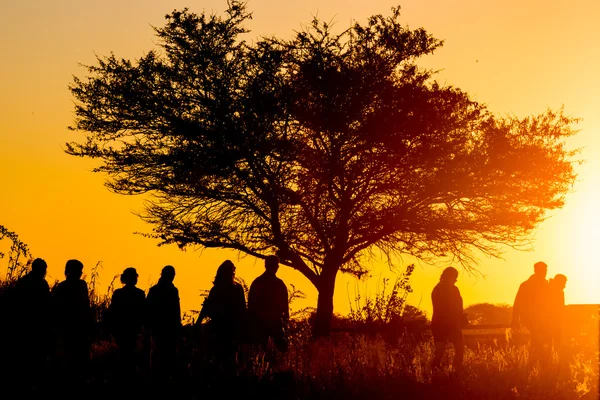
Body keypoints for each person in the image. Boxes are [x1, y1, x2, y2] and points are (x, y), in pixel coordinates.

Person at [195, 260, 246, 372]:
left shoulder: (218, 289)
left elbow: (207, 308)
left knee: (220, 358)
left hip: (221, 328)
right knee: (229, 358)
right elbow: (242, 310)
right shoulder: (236, 289)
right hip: (228, 329)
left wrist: (198, 323)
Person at [10, 258, 52, 389]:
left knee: (24, 362)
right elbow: (47, 306)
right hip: (37, 329)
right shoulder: (42, 284)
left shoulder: (22, 282)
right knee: (37, 361)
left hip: (23, 328)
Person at [51, 259, 93, 385]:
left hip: (67, 327)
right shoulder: (81, 285)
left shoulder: (61, 286)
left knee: (69, 356)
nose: (81, 272)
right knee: (79, 357)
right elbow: (85, 306)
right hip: (78, 327)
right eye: (79, 270)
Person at [108, 267, 146, 380]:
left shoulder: (119, 293)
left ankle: (124, 375)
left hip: (124, 328)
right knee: (128, 352)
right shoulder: (138, 294)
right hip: (129, 328)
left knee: (125, 352)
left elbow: (113, 311)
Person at [512, 261, 551, 369]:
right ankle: (535, 367)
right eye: (542, 270)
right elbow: (517, 303)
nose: (545, 272)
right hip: (531, 320)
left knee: (542, 345)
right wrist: (515, 320)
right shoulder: (526, 285)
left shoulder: (546, 285)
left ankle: (537, 368)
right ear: (536, 270)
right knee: (538, 344)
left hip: (545, 321)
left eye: (545, 270)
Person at [248, 255, 289, 353]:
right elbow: (285, 307)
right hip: (274, 322)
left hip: (260, 322)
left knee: (259, 351)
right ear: (277, 267)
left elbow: (251, 305)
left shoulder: (257, 282)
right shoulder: (279, 284)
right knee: (281, 351)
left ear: (265, 265)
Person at [146, 265, 181, 381]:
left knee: (160, 355)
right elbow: (176, 312)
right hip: (166, 329)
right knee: (166, 355)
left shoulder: (155, 290)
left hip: (160, 329)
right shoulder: (172, 291)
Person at [431, 267, 466, 374]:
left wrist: (461, 317)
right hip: (440, 324)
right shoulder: (438, 290)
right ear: (447, 277)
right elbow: (440, 308)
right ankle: (435, 373)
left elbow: (459, 306)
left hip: (453, 324)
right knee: (439, 351)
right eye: (454, 277)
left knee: (460, 349)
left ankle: (456, 371)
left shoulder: (455, 289)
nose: (456, 280)